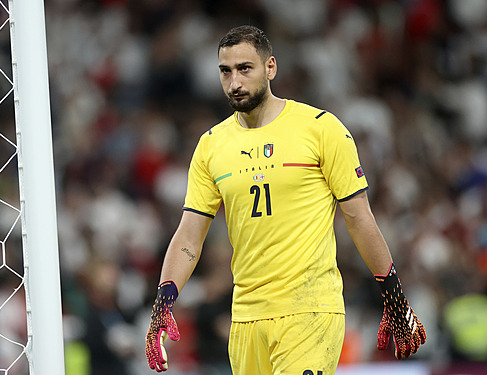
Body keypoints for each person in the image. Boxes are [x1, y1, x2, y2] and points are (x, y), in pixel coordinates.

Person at [145, 25, 426, 374]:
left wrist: (393, 294)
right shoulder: (211, 145)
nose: (234, 82)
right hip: (246, 317)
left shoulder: (321, 129)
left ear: (270, 68)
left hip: (309, 309)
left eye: (245, 68)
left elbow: (359, 217)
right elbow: (189, 234)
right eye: (225, 71)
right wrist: (163, 302)